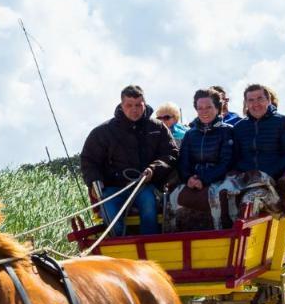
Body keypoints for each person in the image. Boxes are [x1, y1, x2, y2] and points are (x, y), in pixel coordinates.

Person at [79, 84, 176, 236]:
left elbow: (171, 154)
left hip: (146, 185)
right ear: (121, 105)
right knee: (109, 212)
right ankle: (119, 248)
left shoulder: (158, 128)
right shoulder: (103, 132)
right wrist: (94, 181)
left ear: (144, 104)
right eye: (129, 105)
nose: (134, 109)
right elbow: (88, 160)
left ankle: (150, 246)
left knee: (149, 206)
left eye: (138, 105)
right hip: (113, 188)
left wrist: (153, 170)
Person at [232, 83, 285, 215]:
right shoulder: (239, 128)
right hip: (246, 179)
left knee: (250, 199)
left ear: (268, 101)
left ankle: (245, 233)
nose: (255, 104)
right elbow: (235, 157)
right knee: (220, 194)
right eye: (251, 100)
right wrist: (246, 172)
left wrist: (266, 172)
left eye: (260, 99)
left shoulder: (284, 122)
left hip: (273, 181)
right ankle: (221, 232)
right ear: (246, 103)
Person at [179, 89, 235, 190]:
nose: (204, 111)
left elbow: (227, 163)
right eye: (200, 108)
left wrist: (204, 179)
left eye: (209, 107)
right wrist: (188, 178)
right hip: (192, 182)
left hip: (219, 182)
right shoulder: (190, 134)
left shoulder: (227, 131)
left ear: (217, 108)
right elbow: (183, 162)